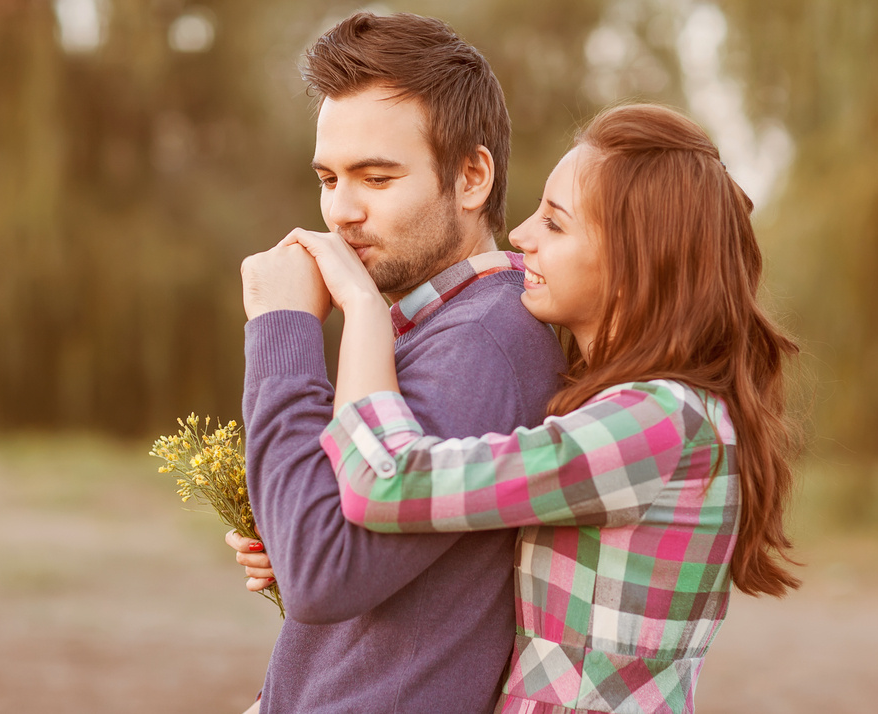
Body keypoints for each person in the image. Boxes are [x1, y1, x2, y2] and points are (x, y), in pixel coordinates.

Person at [286, 103, 802, 713]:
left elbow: (388, 480)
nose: (522, 235)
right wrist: (299, 532)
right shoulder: (632, 411)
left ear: (636, 262)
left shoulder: (655, 423)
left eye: (555, 224)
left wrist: (364, 309)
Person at [232, 11, 567, 714]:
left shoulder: (485, 339)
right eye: (329, 178)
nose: (340, 212)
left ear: (471, 176)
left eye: (376, 178)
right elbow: (337, 552)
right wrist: (286, 524)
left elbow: (323, 574)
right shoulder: (434, 327)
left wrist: (281, 327)